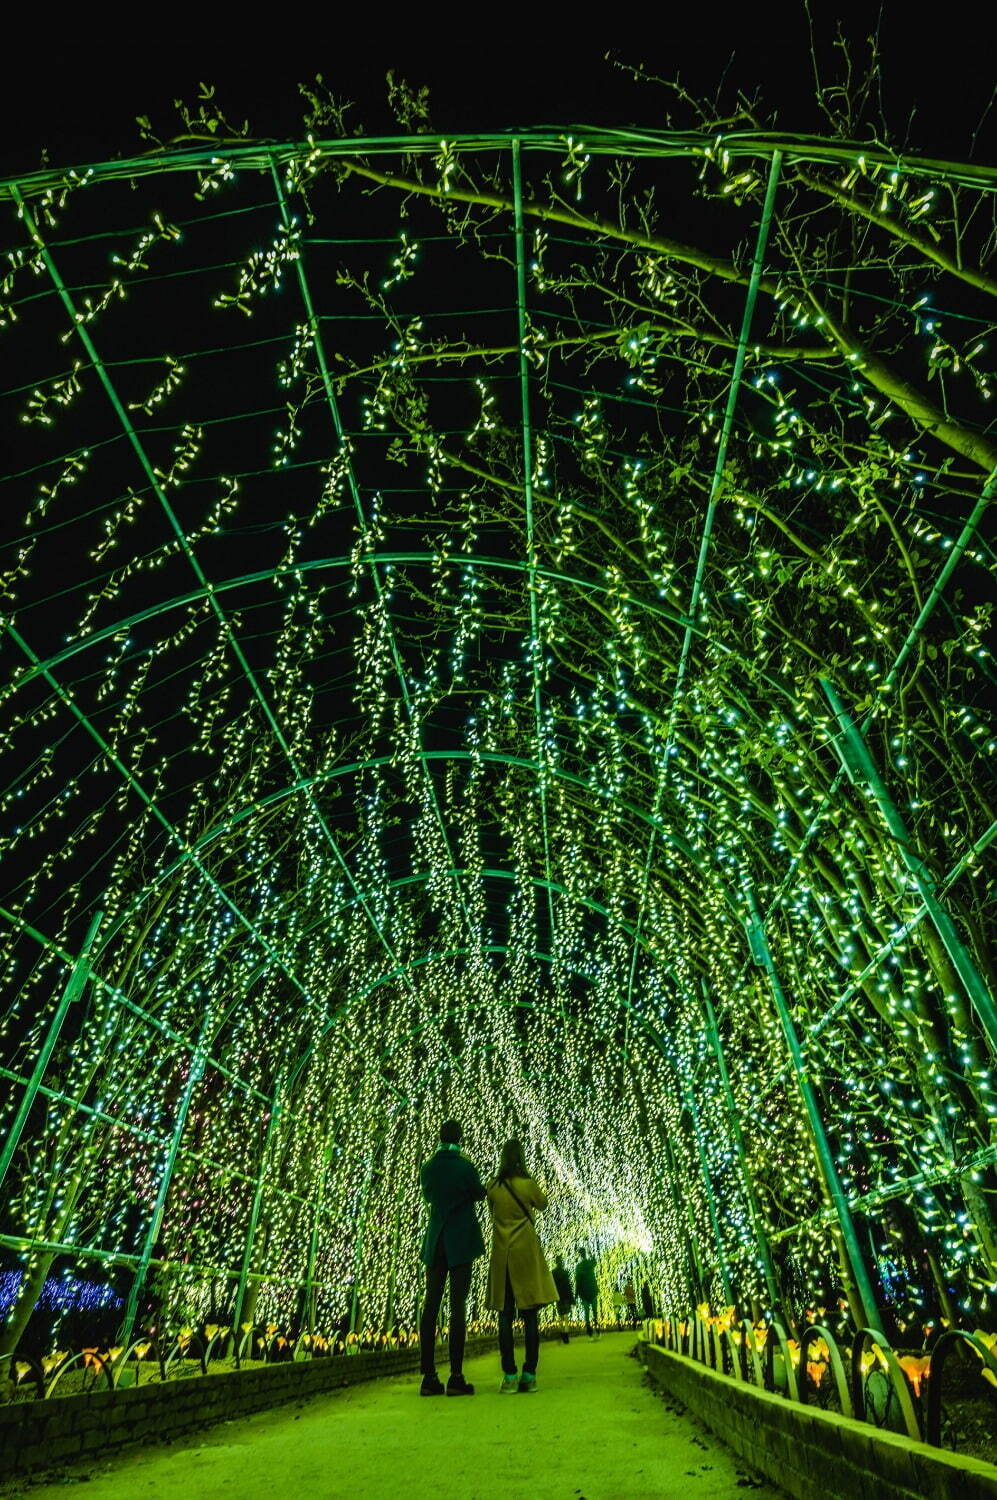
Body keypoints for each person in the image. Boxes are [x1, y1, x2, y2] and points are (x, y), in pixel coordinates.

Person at [418, 1119, 486, 1396]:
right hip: (461, 1242)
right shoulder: (465, 1167)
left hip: (435, 1243)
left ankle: (428, 1376)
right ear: (460, 1138)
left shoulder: (428, 1168)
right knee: (458, 1306)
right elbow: (478, 1192)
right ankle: (456, 1376)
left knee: (430, 1305)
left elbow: (427, 1195)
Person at [486, 1139, 558, 1393]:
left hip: (502, 1256)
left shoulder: (493, 1186)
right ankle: (529, 1373)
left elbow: (491, 1209)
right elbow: (543, 1204)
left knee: (504, 1316)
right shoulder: (528, 1185)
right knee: (529, 1316)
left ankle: (509, 1376)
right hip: (525, 1255)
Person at [574, 1245, 599, 1337]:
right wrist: (590, 1252)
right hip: (592, 1291)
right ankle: (597, 1330)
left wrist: (576, 1294)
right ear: (585, 1254)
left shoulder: (579, 1267)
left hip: (584, 1293)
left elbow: (577, 1281)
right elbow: (595, 1260)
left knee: (587, 1314)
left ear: (580, 1255)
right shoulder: (590, 1263)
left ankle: (590, 1333)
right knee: (595, 1312)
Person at [552, 1254, 574, 1343]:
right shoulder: (565, 1272)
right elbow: (568, 1286)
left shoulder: (553, 1273)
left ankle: (562, 1332)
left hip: (558, 1296)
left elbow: (552, 1285)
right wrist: (572, 1298)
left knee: (561, 1316)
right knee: (566, 1316)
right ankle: (566, 1333)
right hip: (565, 1297)